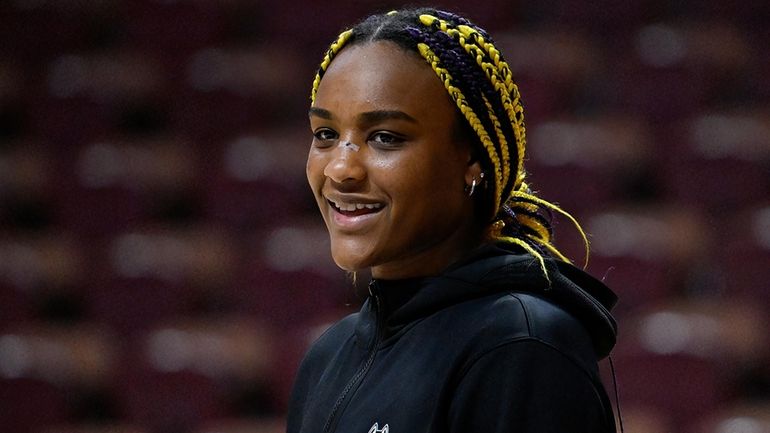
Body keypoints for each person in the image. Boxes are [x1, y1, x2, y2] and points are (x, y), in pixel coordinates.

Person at [288, 7, 618, 433]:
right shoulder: (327, 357)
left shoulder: (520, 346)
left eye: (385, 137)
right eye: (325, 135)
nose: (340, 169)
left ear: (473, 160)